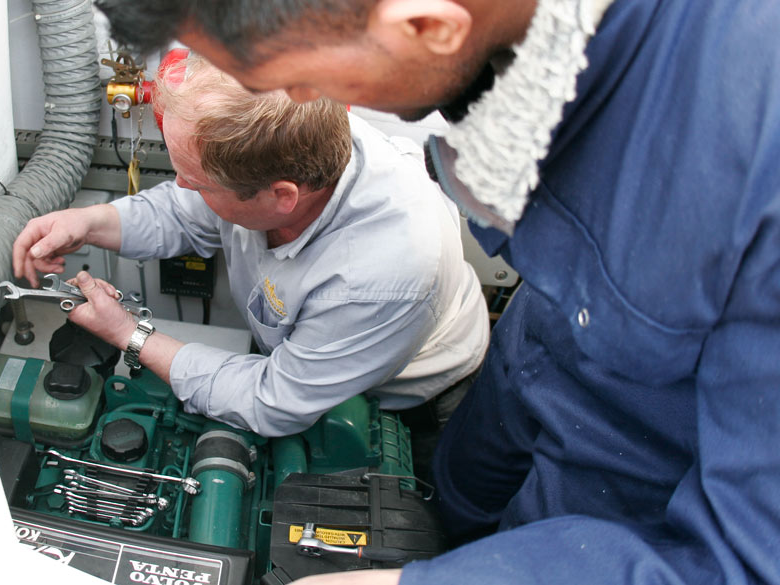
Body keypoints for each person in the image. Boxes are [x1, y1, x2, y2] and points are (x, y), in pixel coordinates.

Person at [94, 1, 780, 585]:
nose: (291, 110)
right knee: (450, 500)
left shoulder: (756, 171)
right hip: (514, 387)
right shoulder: (528, 51)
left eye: (294, 81)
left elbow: (743, 559)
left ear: (424, 26)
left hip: (609, 494)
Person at [12, 55, 489, 438]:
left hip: (411, 403)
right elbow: (181, 211)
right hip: (305, 364)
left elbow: (273, 401)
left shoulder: (379, 275)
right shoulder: (295, 134)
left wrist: (129, 335)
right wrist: (86, 222)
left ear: (280, 197)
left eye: (196, 183)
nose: (180, 185)